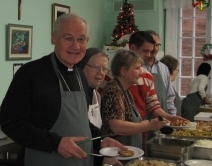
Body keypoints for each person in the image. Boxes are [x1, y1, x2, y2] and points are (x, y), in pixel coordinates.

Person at [0, 13, 127, 166]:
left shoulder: (80, 75)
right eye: (68, 38)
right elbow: (10, 122)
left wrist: (100, 140)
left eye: (81, 39)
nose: (76, 46)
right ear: (54, 38)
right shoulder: (31, 73)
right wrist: (56, 143)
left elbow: (80, 123)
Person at [98, 31, 185, 143]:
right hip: (116, 138)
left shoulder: (147, 77)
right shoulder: (110, 82)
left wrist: (170, 117)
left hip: (138, 132)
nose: (148, 55)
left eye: (150, 51)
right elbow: (106, 117)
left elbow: (154, 105)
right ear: (133, 48)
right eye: (145, 51)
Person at [100, 49, 168, 149]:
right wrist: (148, 126)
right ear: (123, 71)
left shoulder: (125, 90)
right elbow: (116, 126)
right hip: (118, 151)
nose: (141, 72)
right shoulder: (113, 91)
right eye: (137, 68)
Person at [77, 48, 123, 166]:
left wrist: (102, 140)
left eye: (104, 69)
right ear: (81, 67)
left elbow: (90, 129)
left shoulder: (97, 95)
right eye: (96, 67)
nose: (101, 73)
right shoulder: (75, 97)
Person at [143, 30, 177, 116]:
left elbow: (169, 97)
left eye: (157, 45)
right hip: (142, 121)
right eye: (152, 45)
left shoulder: (164, 68)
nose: (155, 49)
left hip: (162, 119)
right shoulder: (138, 67)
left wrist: (172, 117)